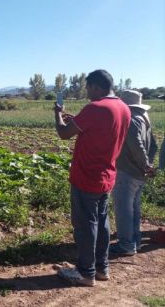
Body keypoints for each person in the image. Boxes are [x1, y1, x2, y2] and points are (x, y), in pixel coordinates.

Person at [53, 69, 130, 286]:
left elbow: (63, 133)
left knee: (85, 225)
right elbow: (99, 129)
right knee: (102, 221)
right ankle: (101, 267)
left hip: (87, 176)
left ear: (96, 86)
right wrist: (77, 120)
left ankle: (86, 273)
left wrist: (57, 113)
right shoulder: (123, 108)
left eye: (88, 87)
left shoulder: (95, 108)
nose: (87, 92)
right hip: (106, 176)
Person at [109, 90, 157, 256]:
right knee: (134, 208)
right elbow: (154, 146)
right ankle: (134, 240)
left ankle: (126, 245)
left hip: (126, 171)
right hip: (139, 173)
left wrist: (144, 164)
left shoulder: (129, 119)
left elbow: (136, 145)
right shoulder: (144, 120)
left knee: (123, 209)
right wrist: (148, 165)